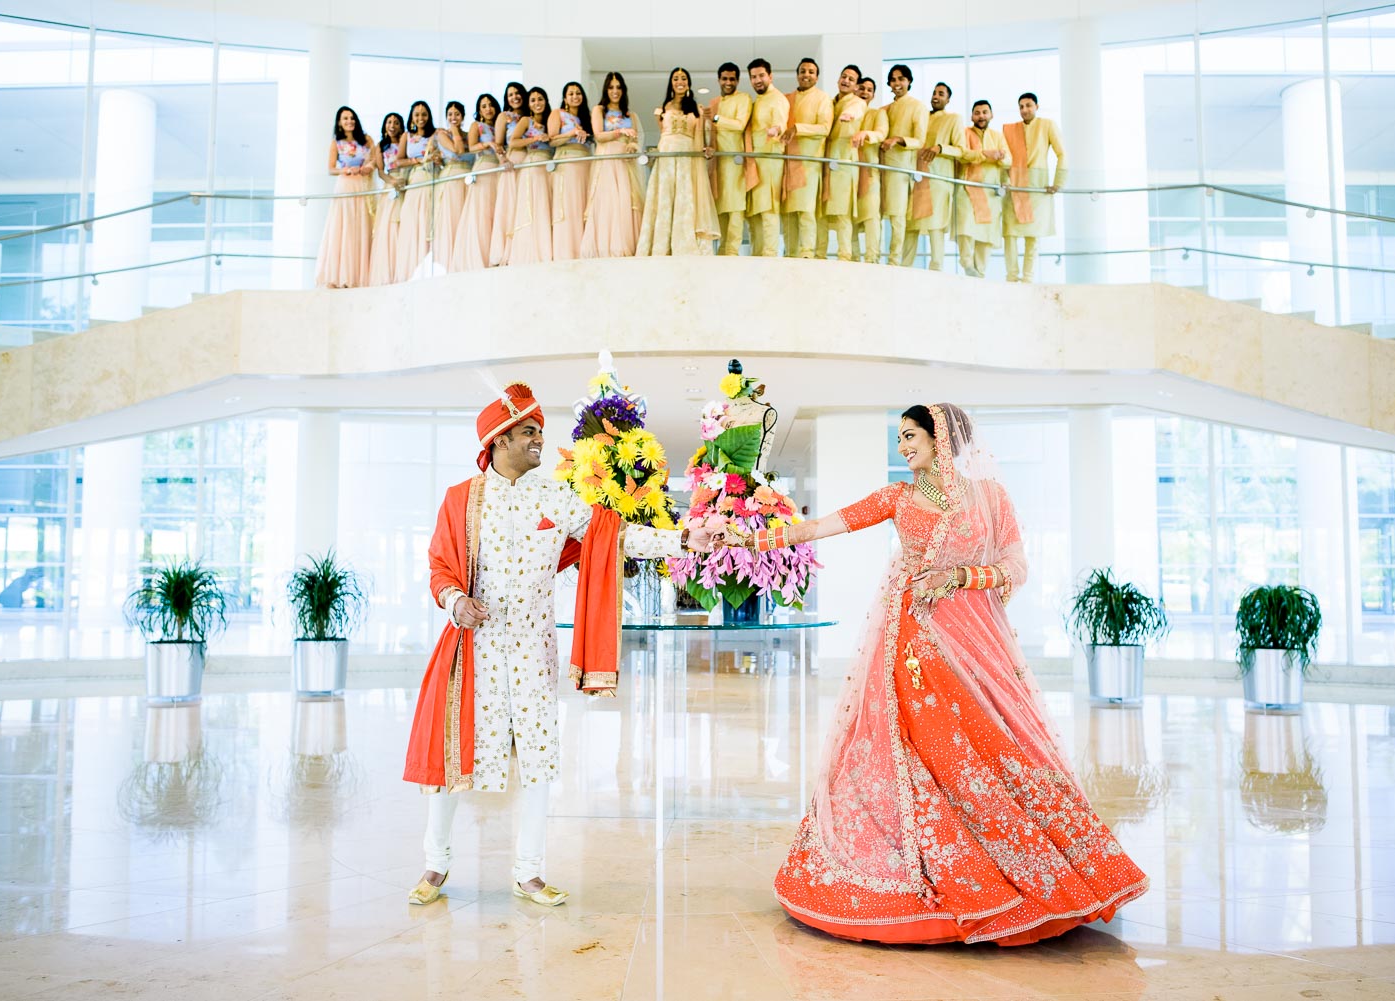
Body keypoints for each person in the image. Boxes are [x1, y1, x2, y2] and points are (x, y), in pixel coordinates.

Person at [741, 402, 1148, 944]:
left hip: (974, 641)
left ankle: (1026, 865)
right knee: (920, 745)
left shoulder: (990, 498)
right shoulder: (897, 498)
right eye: (900, 438)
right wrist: (750, 540)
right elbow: (823, 526)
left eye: (911, 436)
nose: (903, 447)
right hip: (910, 639)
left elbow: (1016, 567)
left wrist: (958, 575)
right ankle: (918, 866)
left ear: (942, 439)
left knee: (993, 744)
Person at [405, 381, 726, 907]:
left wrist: (684, 538)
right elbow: (440, 566)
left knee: (537, 757)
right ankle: (435, 865)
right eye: (529, 432)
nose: (538, 441)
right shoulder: (461, 500)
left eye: (539, 432)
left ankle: (529, 872)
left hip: (533, 652)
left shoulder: (557, 497)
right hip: (474, 651)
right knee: (452, 760)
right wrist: (455, 601)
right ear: (498, 440)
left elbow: (614, 536)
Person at [636, 67, 718, 256]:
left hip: (687, 157)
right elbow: (662, 136)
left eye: (683, 78)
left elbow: (705, 136)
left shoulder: (696, 110)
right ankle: (661, 245)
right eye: (676, 78)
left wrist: (708, 140)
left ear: (688, 83)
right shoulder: (661, 110)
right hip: (666, 157)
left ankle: (684, 243)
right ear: (671, 83)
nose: (679, 81)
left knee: (685, 196)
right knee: (665, 197)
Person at [1002, 92, 1067, 284]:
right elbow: (1004, 159)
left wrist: (1058, 182)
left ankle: (1028, 278)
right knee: (1010, 233)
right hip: (1014, 183)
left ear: (1037, 106)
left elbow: (1062, 153)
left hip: (1038, 186)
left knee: (1033, 235)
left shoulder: (1047, 125)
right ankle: (1012, 277)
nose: (1024, 110)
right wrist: (1004, 180)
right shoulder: (1010, 130)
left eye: (1028, 105)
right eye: (1021, 106)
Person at [581, 71, 645, 259]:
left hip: (625, 162)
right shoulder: (599, 110)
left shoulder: (630, 114)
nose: (615, 91)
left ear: (623, 90)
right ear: (606, 89)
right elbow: (599, 135)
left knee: (626, 199)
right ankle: (604, 246)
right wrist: (620, 132)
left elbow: (636, 139)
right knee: (607, 200)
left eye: (618, 87)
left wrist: (632, 146)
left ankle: (627, 245)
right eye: (611, 87)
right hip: (606, 160)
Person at [902, 82, 964, 271]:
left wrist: (940, 148)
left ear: (948, 99)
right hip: (916, 177)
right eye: (934, 93)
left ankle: (936, 268)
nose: (936, 96)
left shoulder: (953, 119)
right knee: (910, 224)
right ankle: (904, 268)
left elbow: (961, 150)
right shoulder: (922, 116)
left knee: (935, 225)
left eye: (941, 94)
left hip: (938, 179)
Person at [313, 106, 376, 289]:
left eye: (351, 117)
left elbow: (374, 159)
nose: (349, 121)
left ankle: (360, 273)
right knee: (345, 227)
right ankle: (342, 274)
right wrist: (347, 169)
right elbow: (331, 168)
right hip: (346, 185)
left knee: (362, 225)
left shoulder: (367, 140)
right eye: (345, 118)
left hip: (363, 184)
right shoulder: (336, 143)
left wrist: (368, 167)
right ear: (339, 122)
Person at [780, 57, 832, 260]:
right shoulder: (787, 98)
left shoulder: (822, 98)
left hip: (809, 161)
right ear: (797, 74)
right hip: (787, 160)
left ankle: (807, 253)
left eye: (811, 72)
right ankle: (790, 252)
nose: (806, 75)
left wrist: (797, 128)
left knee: (806, 209)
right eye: (803, 71)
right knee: (789, 211)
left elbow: (824, 128)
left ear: (817, 77)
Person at [817, 64, 866, 262]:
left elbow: (857, 109)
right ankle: (818, 254)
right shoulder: (830, 102)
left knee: (842, 212)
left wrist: (849, 116)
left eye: (851, 79)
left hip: (844, 162)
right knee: (820, 211)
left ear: (856, 86)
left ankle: (844, 255)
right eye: (843, 77)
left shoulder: (856, 102)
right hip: (825, 160)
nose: (846, 81)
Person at [879, 64, 927, 267]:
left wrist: (898, 139)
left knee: (898, 216)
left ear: (909, 81)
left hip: (901, 168)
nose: (897, 83)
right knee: (878, 214)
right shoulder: (885, 109)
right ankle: (875, 258)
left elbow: (920, 140)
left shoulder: (918, 106)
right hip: (881, 167)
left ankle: (895, 262)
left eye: (901, 79)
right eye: (893, 79)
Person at [955, 99, 1009, 278]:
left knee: (986, 234)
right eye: (977, 113)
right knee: (965, 227)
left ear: (991, 115)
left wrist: (1000, 158)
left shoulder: (997, 136)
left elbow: (1008, 160)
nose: (981, 116)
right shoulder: (964, 133)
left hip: (990, 191)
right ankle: (967, 264)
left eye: (985, 112)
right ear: (971, 116)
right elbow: (963, 155)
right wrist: (987, 155)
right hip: (967, 187)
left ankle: (980, 273)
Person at [449, 93, 503, 273]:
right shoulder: (476, 126)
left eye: (490, 105)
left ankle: (496, 252)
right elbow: (470, 147)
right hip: (484, 168)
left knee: (497, 210)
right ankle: (480, 255)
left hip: (500, 171)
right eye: (484, 106)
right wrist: (488, 145)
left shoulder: (500, 125)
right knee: (482, 211)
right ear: (479, 110)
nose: (488, 108)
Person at [704, 62, 752, 255]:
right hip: (717, 163)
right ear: (718, 80)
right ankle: (722, 253)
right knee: (721, 208)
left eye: (732, 79)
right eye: (724, 78)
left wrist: (715, 118)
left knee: (736, 208)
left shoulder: (744, 99)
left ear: (738, 81)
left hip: (735, 161)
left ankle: (732, 252)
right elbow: (709, 130)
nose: (728, 82)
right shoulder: (714, 102)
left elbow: (739, 125)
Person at [744, 58, 789, 257]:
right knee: (755, 212)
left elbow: (780, 121)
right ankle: (756, 255)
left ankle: (770, 256)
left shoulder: (777, 98)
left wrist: (776, 129)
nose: (757, 80)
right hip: (755, 160)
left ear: (770, 76)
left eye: (761, 75)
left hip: (770, 158)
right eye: (753, 77)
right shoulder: (757, 101)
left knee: (769, 209)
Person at [507, 86, 555, 267]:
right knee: (534, 205)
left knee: (547, 204)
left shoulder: (552, 120)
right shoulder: (526, 121)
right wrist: (535, 139)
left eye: (540, 99)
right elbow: (513, 141)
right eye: (533, 100)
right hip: (533, 164)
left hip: (549, 166)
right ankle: (532, 250)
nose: (537, 103)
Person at [393, 100, 438, 281]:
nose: (421, 118)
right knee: (412, 219)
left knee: (428, 217)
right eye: (417, 115)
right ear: (412, 117)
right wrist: (418, 161)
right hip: (415, 179)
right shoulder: (407, 136)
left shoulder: (436, 134)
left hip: (432, 178)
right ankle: (410, 265)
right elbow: (399, 160)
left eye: (424, 114)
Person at [549, 81, 593, 261]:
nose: (575, 96)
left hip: (586, 164)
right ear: (565, 98)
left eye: (578, 93)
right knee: (568, 205)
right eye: (571, 93)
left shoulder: (587, 118)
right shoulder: (558, 114)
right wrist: (571, 133)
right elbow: (552, 141)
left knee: (584, 204)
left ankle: (585, 248)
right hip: (566, 162)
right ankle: (567, 250)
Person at [428, 100, 471, 274]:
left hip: (467, 177)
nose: (453, 117)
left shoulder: (468, 134)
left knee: (465, 216)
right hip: (452, 176)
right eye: (450, 115)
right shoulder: (442, 135)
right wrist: (454, 130)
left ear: (463, 116)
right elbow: (458, 150)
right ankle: (450, 261)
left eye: (457, 114)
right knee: (451, 216)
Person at [489, 81, 528, 267]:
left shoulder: (531, 115)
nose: (515, 97)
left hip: (531, 163)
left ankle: (524, 247)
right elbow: (498, 143)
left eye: (517, 93)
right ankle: (506, 250)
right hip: (513, 162)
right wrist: (502, 160)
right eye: (510, 94)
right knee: (509, 205)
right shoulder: (504, 117)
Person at [368, 111, 408, 285]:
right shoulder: (381, 146)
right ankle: (387, 269)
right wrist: (392, 182)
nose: (392, 126)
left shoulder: (405, 142)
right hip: (391, 185)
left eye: (396, 122)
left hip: (406, 182)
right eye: (389, 122)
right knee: (388, 225)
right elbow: (381, 171)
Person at [852, 77, 887, 264]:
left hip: (870, 170)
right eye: (862, 88)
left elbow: (882, 133)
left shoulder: (877, 114)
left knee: (872, 215)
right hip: (849, 170)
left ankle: (872, 258)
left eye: (869, 90)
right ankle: (853, 258)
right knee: (850, 216)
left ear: (873, 95)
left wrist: (866, 134)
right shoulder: (847, 110)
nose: (865, 92)